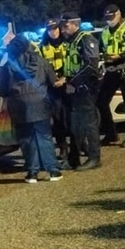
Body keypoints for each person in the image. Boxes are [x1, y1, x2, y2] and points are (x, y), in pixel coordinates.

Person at [0, 30, 62, 182]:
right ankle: (53, 170)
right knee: (44, 136)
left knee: (26, 138)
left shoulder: (7, 66)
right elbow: (53, 81)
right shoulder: (40, 60)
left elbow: (3, 89)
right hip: (41, 102)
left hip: (18, 105)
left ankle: (32, 172)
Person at [61, 11, 104, 170]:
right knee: (75, 126)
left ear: (75, 25)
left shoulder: (86, 39)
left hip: (86, 88)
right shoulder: (71, 42)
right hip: (75, 89)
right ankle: (74, 159)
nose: (63, 30)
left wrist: (72, 82)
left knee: (89, 125)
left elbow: (91, 67)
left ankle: (94, 158)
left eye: (66, 26)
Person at [97, 3, 125, 147]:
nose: (109, 20)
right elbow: (100, 48)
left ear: (119, 14)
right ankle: (111, 134)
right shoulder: (104, 31)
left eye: (112, 17)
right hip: (111, 70)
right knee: (101, 102)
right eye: (107, 18)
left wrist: (120, 56)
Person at [39, 19, 77, 169]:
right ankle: (63, 148)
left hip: (68, 84)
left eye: (55, 29)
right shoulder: (42, 47)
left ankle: (80, 145)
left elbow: (72, 63)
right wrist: (52, 80)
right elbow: (41, 67)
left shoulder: (67, 44)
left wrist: (65, 78)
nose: (53, 32)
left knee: (72, 117)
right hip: (52, 87)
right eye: (50, 29)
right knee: (58, 120)